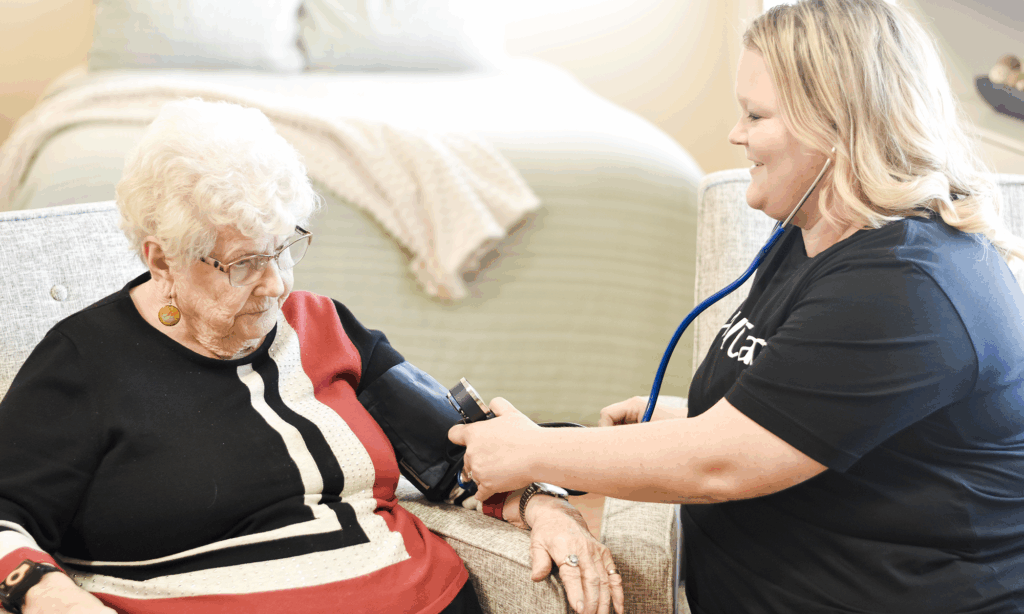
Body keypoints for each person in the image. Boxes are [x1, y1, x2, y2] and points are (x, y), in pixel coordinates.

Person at [449, 1, 1024, 612]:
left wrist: (531, 451)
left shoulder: (905, 286)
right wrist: (693, 416)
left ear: (836, 125)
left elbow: (718, 466)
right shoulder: (815, 233)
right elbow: (827, 407)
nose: (736, 133)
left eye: (756, 114)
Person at [0, 99, 624, 614]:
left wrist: (545, 504)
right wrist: (45, 594)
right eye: (243, 262)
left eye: (285, 248)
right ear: (161, 259)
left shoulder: (323, 325)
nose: (276, 284)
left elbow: (456, 449)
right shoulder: (84, 364)